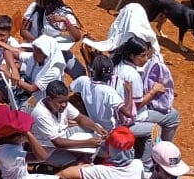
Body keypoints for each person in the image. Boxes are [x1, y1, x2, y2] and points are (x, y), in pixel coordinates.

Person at [112, 36, 180, 166]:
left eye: (147, 55)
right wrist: (154, 91)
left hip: (117, 114)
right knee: (168, 121)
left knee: (172, 115)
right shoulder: (132, 75)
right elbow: (137, 106)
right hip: (129, 119)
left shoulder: (118, 65)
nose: (146, 59)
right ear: (132, 56)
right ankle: (149, 165)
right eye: (142, 56)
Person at [29, 80, 109, 169]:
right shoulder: (41, 114)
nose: (64, 105)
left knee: (93, 130)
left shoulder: (62, 102)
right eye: (60, 102)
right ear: (49, 99)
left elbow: (80, 118)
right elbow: (58, 142)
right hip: (49, 149)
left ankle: (88, 156)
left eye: (66, 101)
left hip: (65, 136)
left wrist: (96, 127)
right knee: (80, 165)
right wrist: (87, 143)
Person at [70, 54, 124, 131]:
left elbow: (67, 91)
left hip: (94, 127)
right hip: (110, 130)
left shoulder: (82, 81)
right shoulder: (109, 91)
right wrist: (130, 91)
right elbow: (128, 113)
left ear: (92, 70)